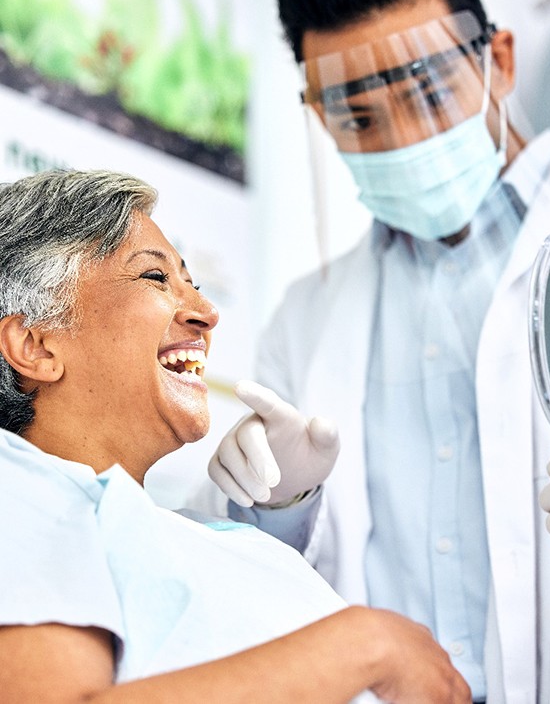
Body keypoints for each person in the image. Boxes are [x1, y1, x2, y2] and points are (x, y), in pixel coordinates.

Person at [207, 0, 550, 701]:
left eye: (429, 93)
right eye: (359, 118)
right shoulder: (304, 318)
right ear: (320, 117)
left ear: (497, 61)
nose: (403, 137)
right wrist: (276, 508)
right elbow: (272, 600)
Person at [0, 168, 471, 704]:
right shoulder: (19, 492)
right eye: (155, 279)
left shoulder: (180, 531)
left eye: (193, 283)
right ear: (36, 345)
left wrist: (280, 508)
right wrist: (368, 645)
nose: (207, 313)